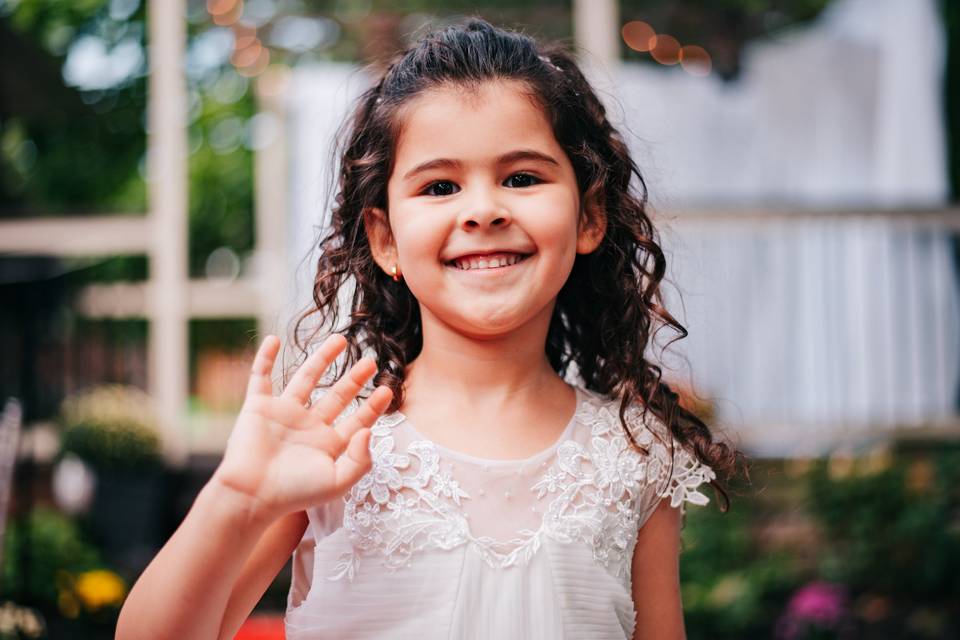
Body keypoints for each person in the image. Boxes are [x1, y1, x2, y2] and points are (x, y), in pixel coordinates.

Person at [117, 18, 738, 640]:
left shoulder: (636, 454)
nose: (483, 210)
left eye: (522, 178)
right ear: (385, 238)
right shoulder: (331, 444)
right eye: (440, 186)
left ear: (589, 217)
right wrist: (236, 497)